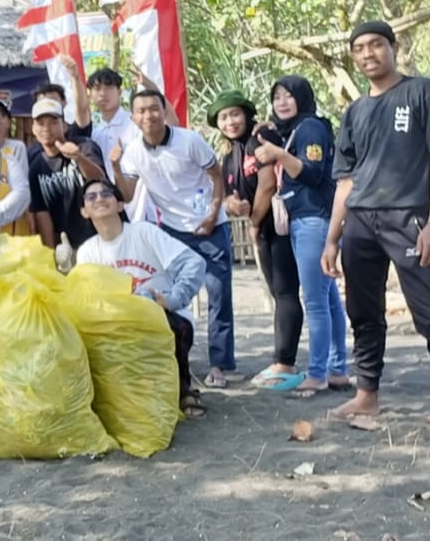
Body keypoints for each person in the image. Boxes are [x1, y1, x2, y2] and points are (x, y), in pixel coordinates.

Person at [323, 20, 430, 444]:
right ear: (353, 57)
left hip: (409, 219)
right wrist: (333, 237)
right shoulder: (354, 111)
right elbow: (345, 181)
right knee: (363, 312)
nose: (368, 53)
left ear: (394, 47)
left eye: (376, 44)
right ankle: (366, 393)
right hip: (360, 222)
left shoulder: (424, 93)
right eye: (359, 48)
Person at [111, 89, 234, 389]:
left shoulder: (189, 140)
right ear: (133, 117)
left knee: (218, 295)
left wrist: (213, 212)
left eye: (154, 108)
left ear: (164, 110)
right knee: (170, 297)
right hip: (172, 233)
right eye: (141, 111)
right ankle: (177, 361)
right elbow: (126, 195)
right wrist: (114, 165)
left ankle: (220, 365)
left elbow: (217, 176)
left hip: (210, 227)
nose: (148, 115)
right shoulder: (133, 152)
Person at [73, 181, 208, 418]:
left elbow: (194, 263)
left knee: (174, 326)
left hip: (158, 315)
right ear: (84, 211)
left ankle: (183, 390)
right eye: (91, 197)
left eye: (106, 194)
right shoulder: (87, 252)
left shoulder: (143, 233)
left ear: (120, 203)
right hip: (117, 323)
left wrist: (172, 299)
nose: (99, 199)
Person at [254, 76, 348, 397]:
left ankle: (318, 373)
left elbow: (312, 172)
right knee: (330, 300)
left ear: (302, 98)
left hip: (314, 220)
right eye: (276, 96)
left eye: (288, 96)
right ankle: (337, 369)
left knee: (316, 302)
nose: (281, 102)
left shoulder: (311, 129)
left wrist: (279, 154)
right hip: (305, 220)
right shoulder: (296, 130)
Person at [208, 90, 303, 390]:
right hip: (263, 227)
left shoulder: (261, 138)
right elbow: (229, 196)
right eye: (223, 117)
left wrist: (253, 222)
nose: (230, 121)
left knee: (288, 292)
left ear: (247, 115)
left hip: (281, 222)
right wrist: (232, 206)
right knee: (279, 293)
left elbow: (267, 184)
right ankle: (282, 360)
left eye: (235, 114)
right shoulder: (229, 155)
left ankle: (285, 363)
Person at [27, 99, 107, 255]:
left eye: (53, 122)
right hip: (68, 246)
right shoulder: (36, 166)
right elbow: (42, 212)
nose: (46, 128)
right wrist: (50, 255)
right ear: (34, 129)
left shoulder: (84, 146)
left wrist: (78, 157)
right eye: (41, 123)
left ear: (64, 125)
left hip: (101, 239)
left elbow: (100, 180)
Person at [86, 68, 135, 179]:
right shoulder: (93, 133)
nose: (103, 94)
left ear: (120, 91)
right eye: (97, 88)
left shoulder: (135, 123)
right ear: (90, 94)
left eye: (108, 87)